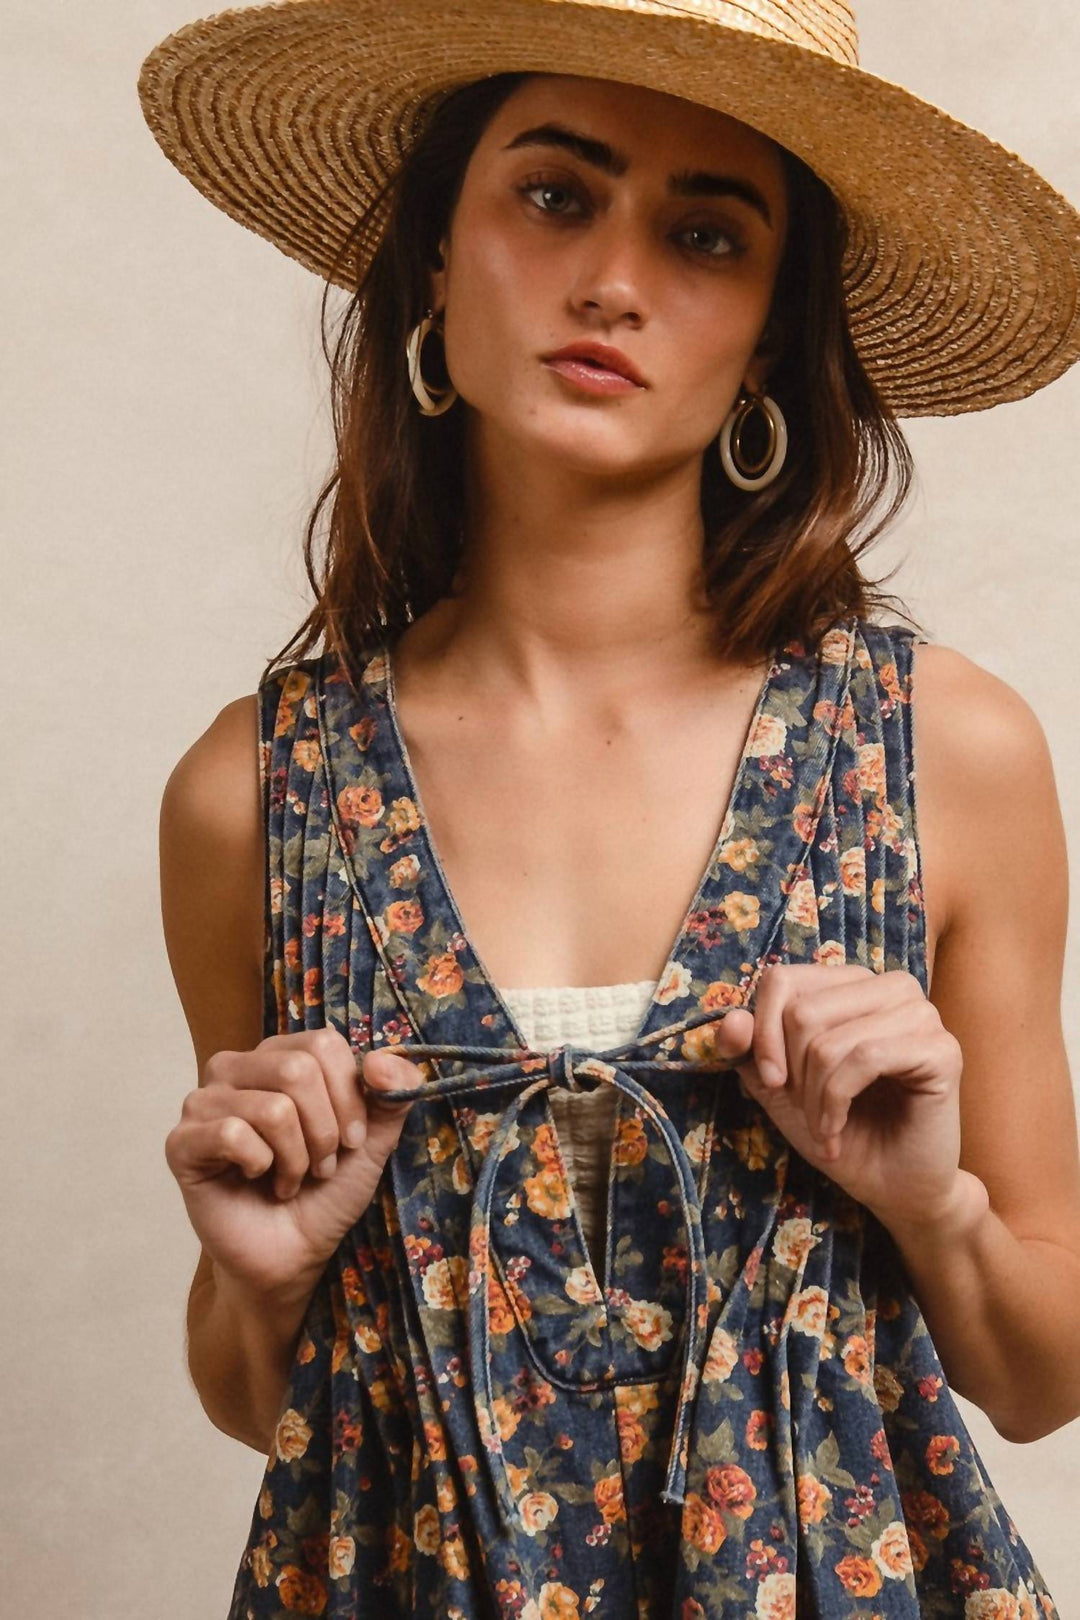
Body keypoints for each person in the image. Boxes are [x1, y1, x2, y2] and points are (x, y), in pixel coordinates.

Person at [143, 2, 1080, 1614]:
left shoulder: (941, 749)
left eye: (706, 235)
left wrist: (929, 1201)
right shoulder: (255, 789)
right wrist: (261, 1274)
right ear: (436, 258)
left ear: (771, 334)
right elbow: (260, 1398)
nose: (614, 283)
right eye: (555, 195)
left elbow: (1045, 1373)